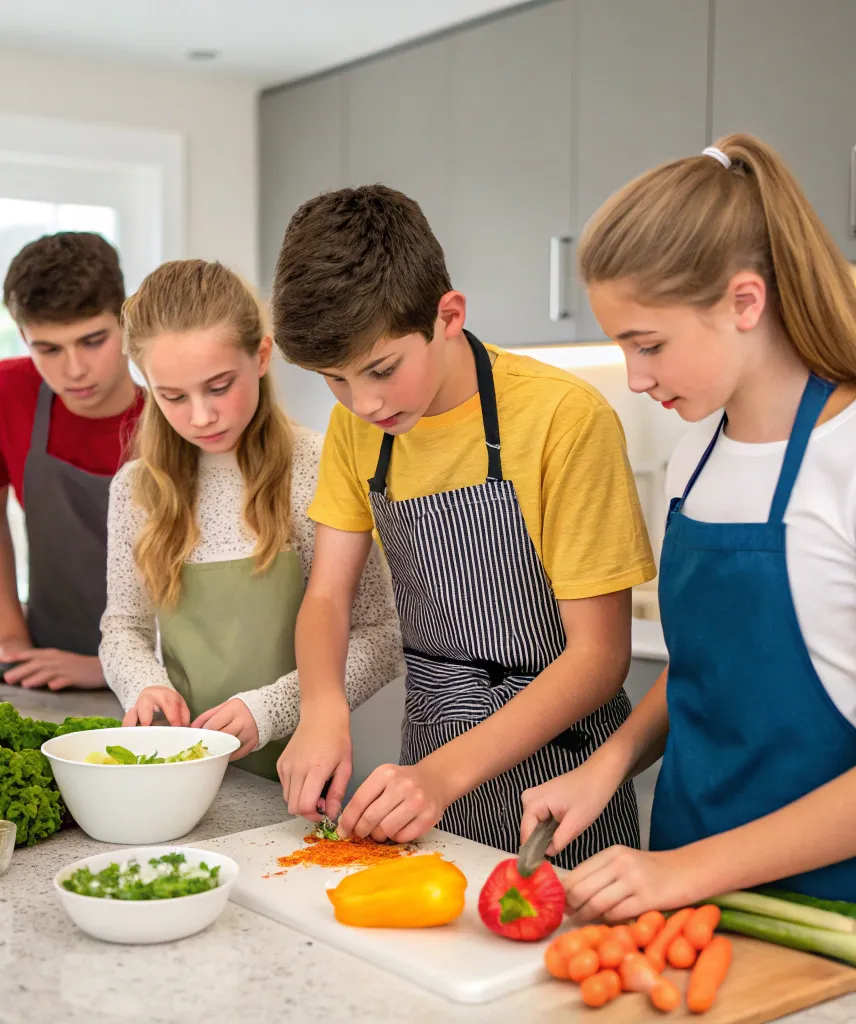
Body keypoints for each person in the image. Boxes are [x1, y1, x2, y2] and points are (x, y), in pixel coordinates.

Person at [519, 135, 856, 1002]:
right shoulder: (696, 457)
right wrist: (608, 767)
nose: (635, 378)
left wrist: (683, 873)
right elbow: (709, 673)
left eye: (649, 344)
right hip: (684, 901)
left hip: (852, 916)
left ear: (744, 300)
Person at [270, 184, 656, 868]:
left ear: (448, 315)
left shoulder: (562, 418)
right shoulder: (358, 430)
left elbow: (599, 657)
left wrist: (445, 776)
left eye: (382, 369)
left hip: (562, 779)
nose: (364, 402)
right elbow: (327, 595)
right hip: (427, 763)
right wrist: (323, 707)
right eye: (335, 379)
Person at [100, 259, 402, 775]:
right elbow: (123, 626)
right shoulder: (136, 490)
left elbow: (380, 636)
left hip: (303, 774)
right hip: (182, 771)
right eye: (172, 396)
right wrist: (145, 684)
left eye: (219, 387)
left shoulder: (318, 467)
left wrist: (270, 710)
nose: (200, 416)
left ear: (261, 356)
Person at [0, 232, 143, 689]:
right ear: (23, 336)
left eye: (92, 340)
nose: (73, 369)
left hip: (162, 675)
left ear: (126, 321)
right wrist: (11, 636)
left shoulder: (179, 416)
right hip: (47, 664)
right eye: (48, 349)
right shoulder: (5, 392)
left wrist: (109, 668)